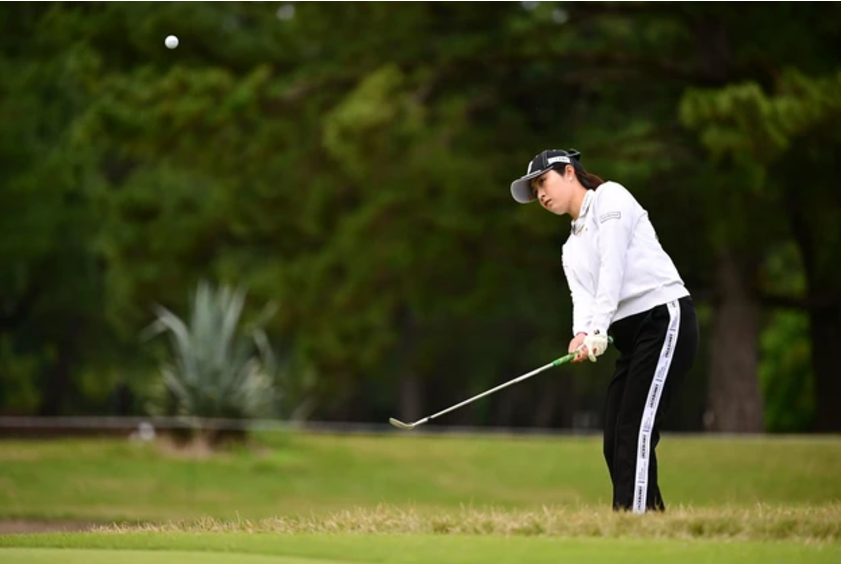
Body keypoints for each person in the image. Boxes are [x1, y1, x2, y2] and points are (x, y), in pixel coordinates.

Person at [509, 148, 699, 514]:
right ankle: (653, 523)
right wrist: (582, 334)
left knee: (635, 431)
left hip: (664, 319)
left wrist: (598, 327)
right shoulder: (570, 248)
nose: (540, 195)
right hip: (632, 339)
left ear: (569, 172)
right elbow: (584, 297)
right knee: (614, 437)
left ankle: (634, 524)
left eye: (542, 183)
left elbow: (613, 265)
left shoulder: (611, 197)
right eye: (534, 192)